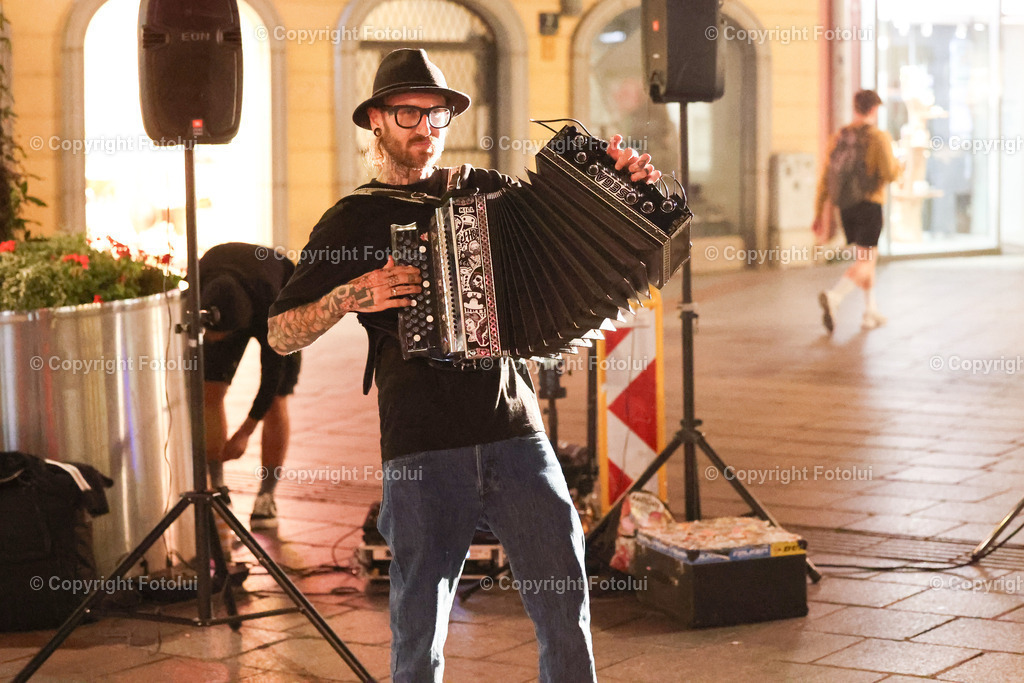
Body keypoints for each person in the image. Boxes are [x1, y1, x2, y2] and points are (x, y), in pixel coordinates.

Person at [267, 48, 661, 682]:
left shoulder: (484, 192)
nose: (425, 127)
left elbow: (571, 231)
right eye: (407, 113)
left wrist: (624, 186)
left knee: (564, 598)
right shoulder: (353, 218)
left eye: (437, 114)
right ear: (375, 120)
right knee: (419, 622)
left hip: (514, 430)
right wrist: (351, 294)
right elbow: (281, 332)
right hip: (423, 443)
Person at [201, 242, 301, 530]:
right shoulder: (199, 287)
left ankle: (266, 495)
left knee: (276, 400)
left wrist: (244, 433)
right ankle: (217, 487)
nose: (216, 340)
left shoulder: (276, 309)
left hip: (277, 294)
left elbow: (272, 378)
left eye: (223, 336)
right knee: (210, 390)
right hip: (225, 289)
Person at [813, 89, 901, 333]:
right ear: (874, 109)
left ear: (856, 108)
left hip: (846, 206)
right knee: (866, 261)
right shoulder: (878, 137)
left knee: (865, 257)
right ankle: (835, 297)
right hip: (870, 204)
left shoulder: (840, 136)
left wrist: (819, 210)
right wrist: (900, 165)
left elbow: (825, 176)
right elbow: (890, 174)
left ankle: (870, 310)